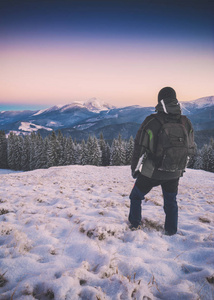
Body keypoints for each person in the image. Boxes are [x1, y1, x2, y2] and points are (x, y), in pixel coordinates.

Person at [129, 87, 195, 235]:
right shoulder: (186, 122)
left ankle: (135, 226)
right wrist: (180, 168)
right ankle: (171, 232)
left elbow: (139, 149)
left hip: (152, 171)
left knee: (135, 196)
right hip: (174, 172)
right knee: (171, 202)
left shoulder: (151, 121)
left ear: (159, 101)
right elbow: (190, 149)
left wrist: (135, 170)